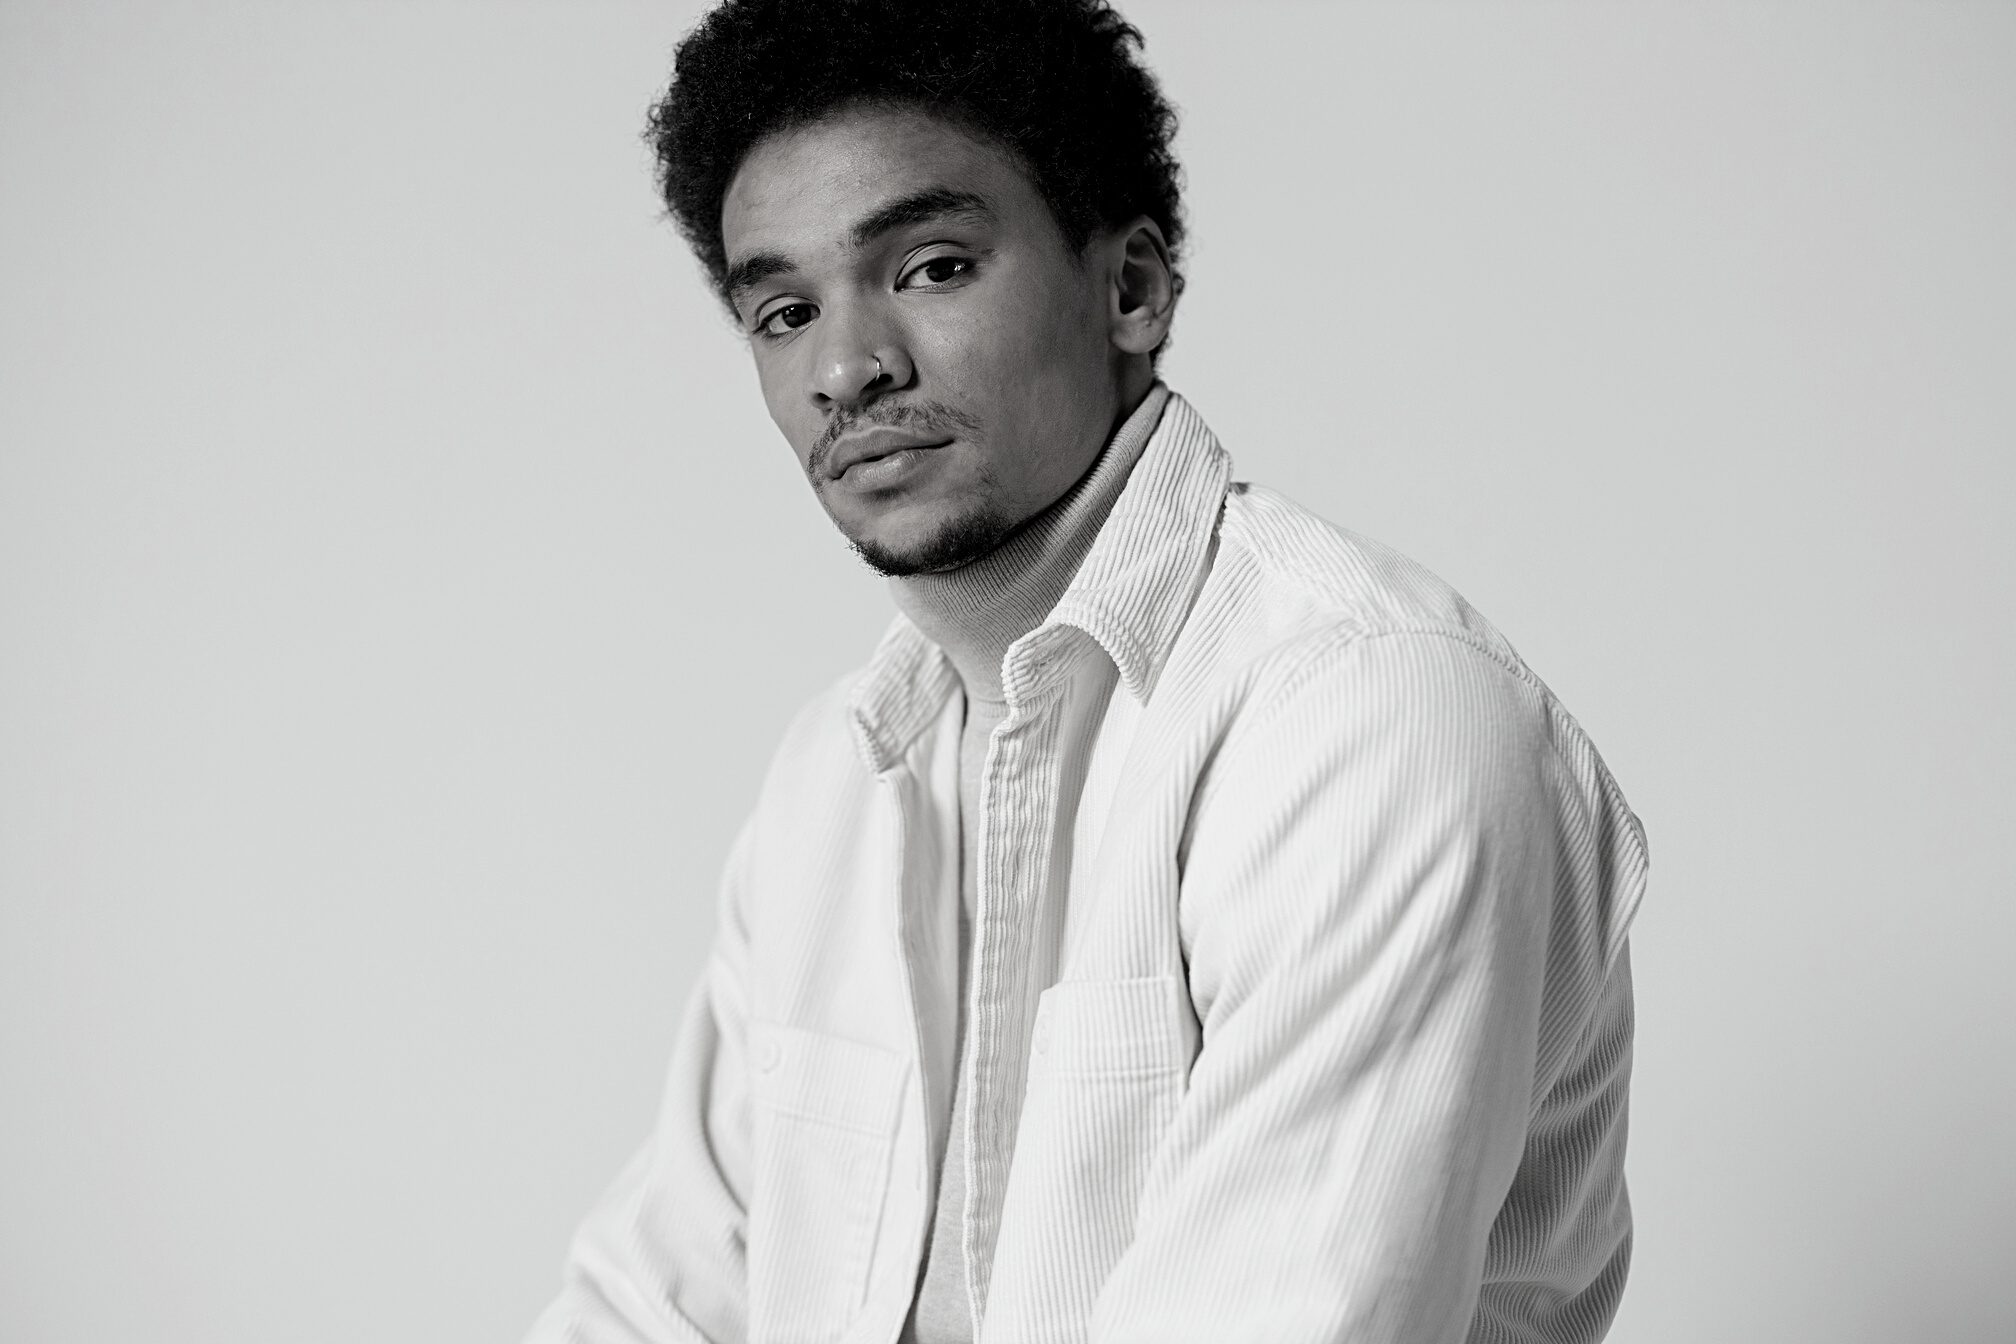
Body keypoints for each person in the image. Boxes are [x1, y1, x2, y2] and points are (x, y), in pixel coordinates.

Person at [528, 2, 1646, 1341]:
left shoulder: (1371, 717)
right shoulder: (835, 777)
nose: (846, 366)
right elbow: (659, 1301)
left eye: (932, 266)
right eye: (781, 310)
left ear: (1131, 289)